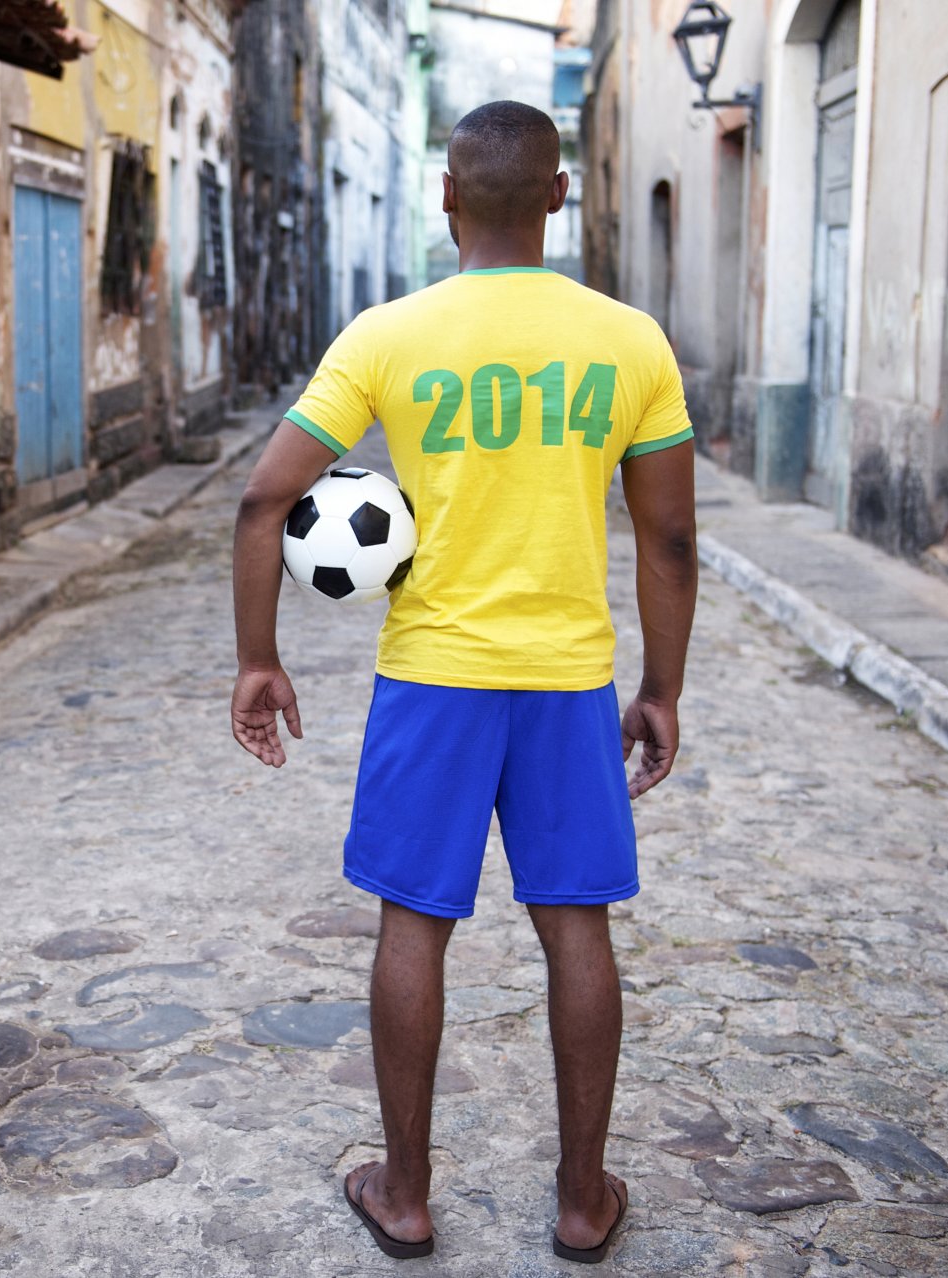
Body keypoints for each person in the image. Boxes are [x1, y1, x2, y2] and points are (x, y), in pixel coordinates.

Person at [229, 100, 698, 1264]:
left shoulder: (387, 336)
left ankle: (406, 1192)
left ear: (446, 197)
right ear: (558, 195)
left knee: (413, 925)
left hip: (432, 679)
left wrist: (259, 657)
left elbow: (262, 498)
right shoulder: (630, 342)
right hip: (569, 680)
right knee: (575, 925)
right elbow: (671, 543)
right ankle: (585, 1203)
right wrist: (662, 688)